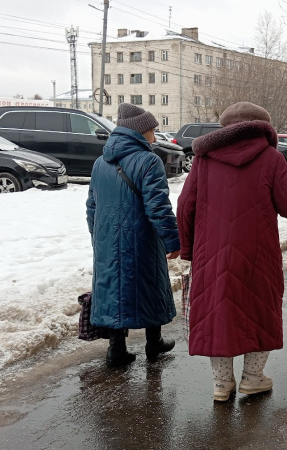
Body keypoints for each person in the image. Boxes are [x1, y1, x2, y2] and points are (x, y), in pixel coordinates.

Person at [177, 102, 287, 402]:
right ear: (262, 126)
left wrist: (188, 248)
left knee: (218, 313)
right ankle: (253, 378)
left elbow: (185, 205)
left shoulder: (204, 160)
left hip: (210, 253)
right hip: (258, 253)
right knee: (258, 310)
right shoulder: (270, 157)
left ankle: (221, 384)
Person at [86, 103, 180, 368]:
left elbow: (92, 204)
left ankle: (116, 350)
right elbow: (158, 206)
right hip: (141, 238)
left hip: (106, 239)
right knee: (149, 284)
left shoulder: (99, 162)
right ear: (141, 131)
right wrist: (172, 240)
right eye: (152, 129)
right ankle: (154, 343)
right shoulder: (149, 160)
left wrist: (97, 234)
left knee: (113, 288)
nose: (154, 134)